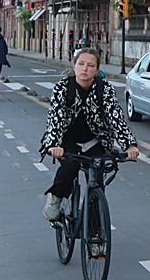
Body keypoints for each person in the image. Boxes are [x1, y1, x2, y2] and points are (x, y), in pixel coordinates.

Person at [39, 48, 139, 233]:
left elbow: (115, 117)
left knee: (97, 181)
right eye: (81, 64)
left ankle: (94, 233)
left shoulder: (104, 88)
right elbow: (55, 118)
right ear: (74, 66)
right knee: (69, 168)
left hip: (95, 140)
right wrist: (53, 145)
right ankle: (55, 197)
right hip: (68, 140)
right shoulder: (62, 88)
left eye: (91, 65)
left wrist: (129, 145)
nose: (85, 69)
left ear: (97, 70)